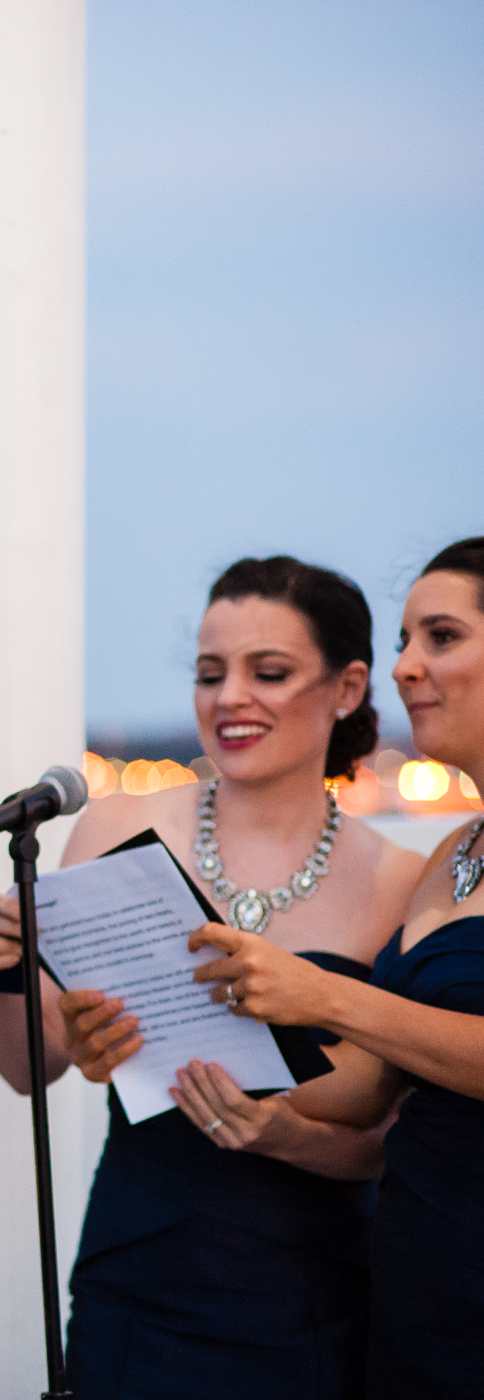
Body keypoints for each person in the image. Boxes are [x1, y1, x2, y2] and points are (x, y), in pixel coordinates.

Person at [0, 555, 422, 1399]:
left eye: (267, 671)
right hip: (142, 1262)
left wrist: (280, 1134)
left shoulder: (398, 883)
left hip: (316, 1283)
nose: (229, 696)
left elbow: (397, 1139)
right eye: (210, 673)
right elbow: (32, 1066)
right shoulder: (114, 827)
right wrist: (4, 969)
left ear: (347, 687)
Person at [175, 537, 484, 1399]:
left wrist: (328, 995)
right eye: (403, 644)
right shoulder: (452, 855)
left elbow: (368, 1023)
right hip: (416, 1286)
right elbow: (374, 1090)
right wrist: (171, 1045)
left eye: (442, 638)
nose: (407, 669)